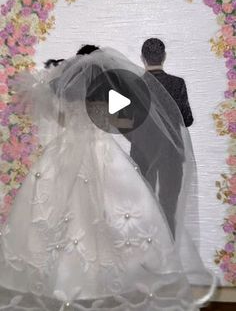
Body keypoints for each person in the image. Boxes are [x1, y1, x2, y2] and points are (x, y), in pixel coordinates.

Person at [0, 47, 215, 310]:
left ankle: (65, 282)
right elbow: (121, 121)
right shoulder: (106, 88)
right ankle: (113, 281)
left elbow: (60, 120)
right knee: (109, 212)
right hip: (101, 149)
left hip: (64, 150)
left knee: (63, 213)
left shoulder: (60, 86)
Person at [130, 38, 193, 238]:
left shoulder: (133, 84)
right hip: (171, 152)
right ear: (164, 57)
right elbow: (187, 119)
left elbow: (122, 120)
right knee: (168, 204)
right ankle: (169, 251)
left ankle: (147, 252)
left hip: (142, 151)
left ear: (142, 58)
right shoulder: (177, 83)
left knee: (142, 202)